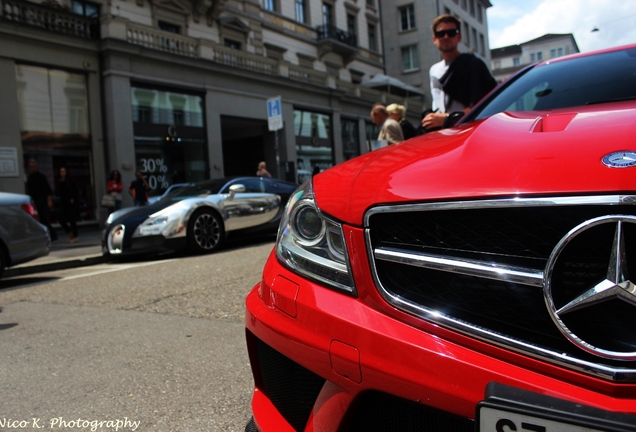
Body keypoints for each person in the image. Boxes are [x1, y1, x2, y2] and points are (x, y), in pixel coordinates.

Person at [422, 14, 497, 132]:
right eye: (441, 34)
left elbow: (482, 105)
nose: (446, 37)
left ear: (459, 37)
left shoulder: (473, 65)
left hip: (467, 131)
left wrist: (446, 118)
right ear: (434, 39)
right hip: (440, 133)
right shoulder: (434, 70)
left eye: (451, 33)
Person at [26, 159, 58, 241]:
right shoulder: (29, 177)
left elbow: (48, 190)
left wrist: (49, 200)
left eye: (34, 166)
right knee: (36, 220)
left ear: (36, 167)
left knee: (43, 219)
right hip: (33, 200)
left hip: (41, 199)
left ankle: (53, 235)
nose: (32, 168)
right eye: (30, 166)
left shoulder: (41, 177)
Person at [56, 166, 79, 243]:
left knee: (72, 219)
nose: (62, 173)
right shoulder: (59, 181)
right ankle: (69, 232)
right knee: (60, 218)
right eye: (61, 171)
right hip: (63, 202)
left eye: (63, 171)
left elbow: (74, 190)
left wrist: (72, 198)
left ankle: (75, 236)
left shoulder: (69, 180)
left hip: (69, 202)